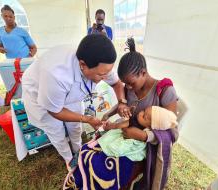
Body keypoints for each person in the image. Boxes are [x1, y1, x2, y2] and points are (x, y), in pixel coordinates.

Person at [63, 38, 179, 190]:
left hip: (146, 147)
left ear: (143, 73)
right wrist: (108, 115)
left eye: (131, 83)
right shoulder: (129, 87)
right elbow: (122, 104)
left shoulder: (164, 91)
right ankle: (84, 180)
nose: (129, 88)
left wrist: (144, 136)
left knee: (109, 169)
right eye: (126, 84)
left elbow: (172, 132)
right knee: (89, 151)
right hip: (125, 135)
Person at [22, 34, 128, 169]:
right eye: (101, 75)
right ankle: (69, 159)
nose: (105, 78)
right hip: (42, 93)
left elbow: (117, 84)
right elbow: (55, 111)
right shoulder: (56, 74)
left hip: (68, 93)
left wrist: (122, 102)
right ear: (82, 64)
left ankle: (78, 150)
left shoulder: (101, 65)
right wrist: (88, 119)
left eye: (107, 73)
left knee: (75, 126)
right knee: (56, 131)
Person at [91, 106, 178, 161]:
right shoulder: (135, 120)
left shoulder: (147, 132)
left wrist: (108, 127)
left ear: (151, 127)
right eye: (144, 110)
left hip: (130, 144)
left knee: (114, 147)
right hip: (124, 135)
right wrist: (107, 126)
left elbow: (118, 126)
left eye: (144, 117)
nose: (140, 114)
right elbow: (117, 125)